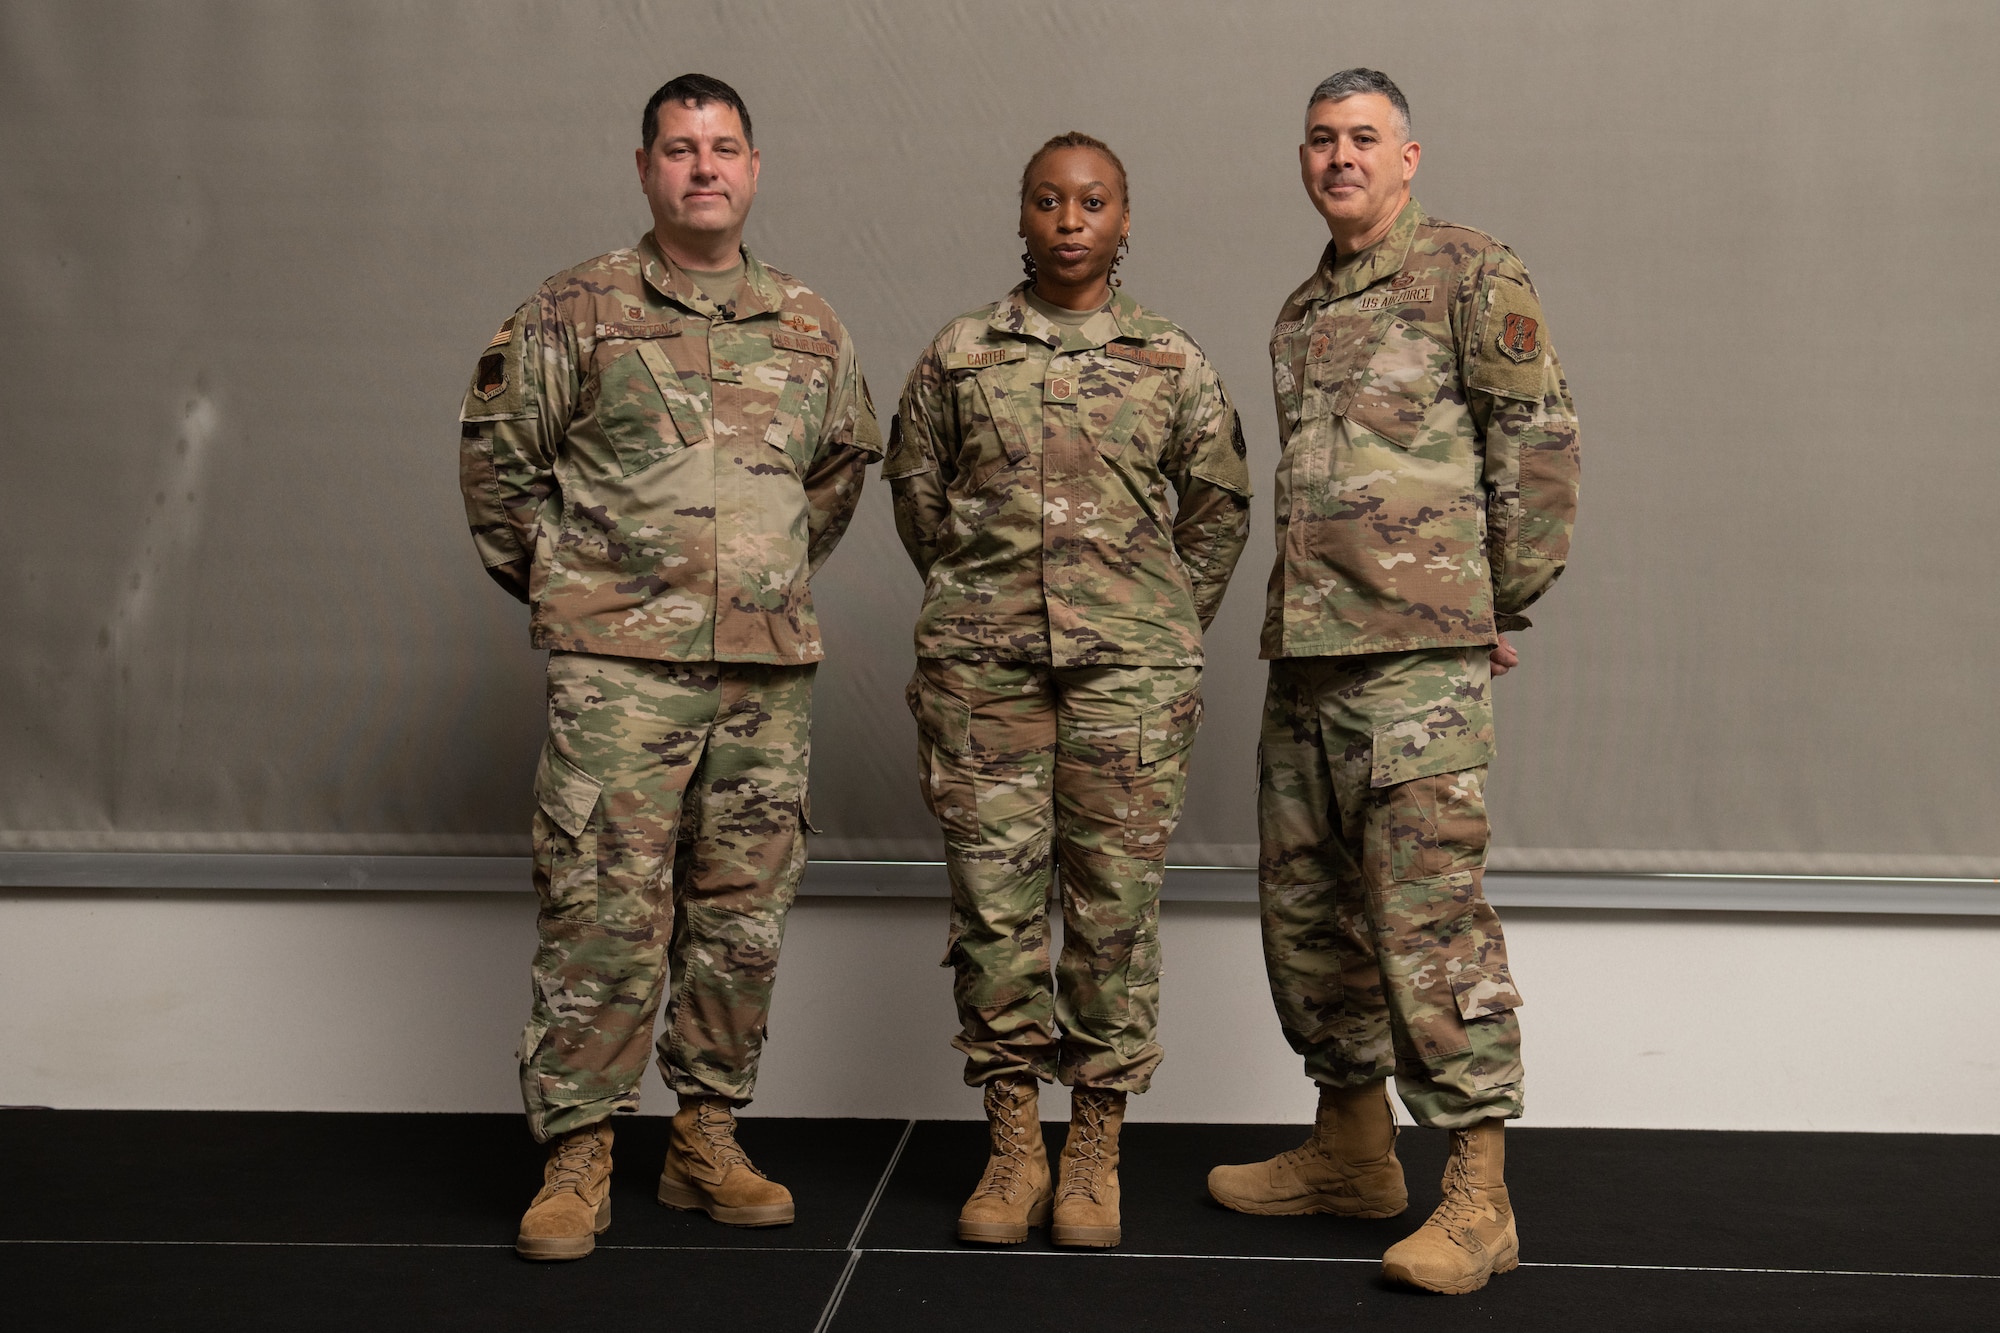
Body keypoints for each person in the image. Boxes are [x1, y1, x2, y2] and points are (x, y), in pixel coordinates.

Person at [455, 73, 882, 1261]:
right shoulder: (571, 312)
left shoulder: (808, 325)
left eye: (726, 147)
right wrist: (581, 592)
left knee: (740, 915)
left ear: (755, 168)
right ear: (643, 167)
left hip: (763, 671)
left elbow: (836, 477)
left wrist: (753, 580)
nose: (705, 167)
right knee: (602, 908)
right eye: (681, 148)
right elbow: (501, 475)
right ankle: (579, 1154)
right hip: (617, 675)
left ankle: (704, 1136)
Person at [1205, 69, 1580, 1295]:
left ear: (1408, 156)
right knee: (1307, 922)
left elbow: (1535, 444)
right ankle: (1351, 1151)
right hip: (1305, 661)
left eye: (1362, 138)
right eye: (1319, 140)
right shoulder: (1299, 310)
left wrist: (1487, 606)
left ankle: (1477, 1197)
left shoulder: (1469, 273)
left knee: (1428, 928)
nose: (1338, 157)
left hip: (1415, 666)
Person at [885, 132, 1253, 1250]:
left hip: (1128, 685)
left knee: (1110, 912)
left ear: (1123, 220)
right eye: (1047, 200)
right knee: (994, 914)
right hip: (984, 675)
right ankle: (1012, 1144)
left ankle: (1092, 1145)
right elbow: (915, 494)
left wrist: (1149, 619)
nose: (1069, 218)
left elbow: (1219, 511)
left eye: (1091, 201)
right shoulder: (958, 354)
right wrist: (980, 600)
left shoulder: (1171, 362)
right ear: (1021, 216)